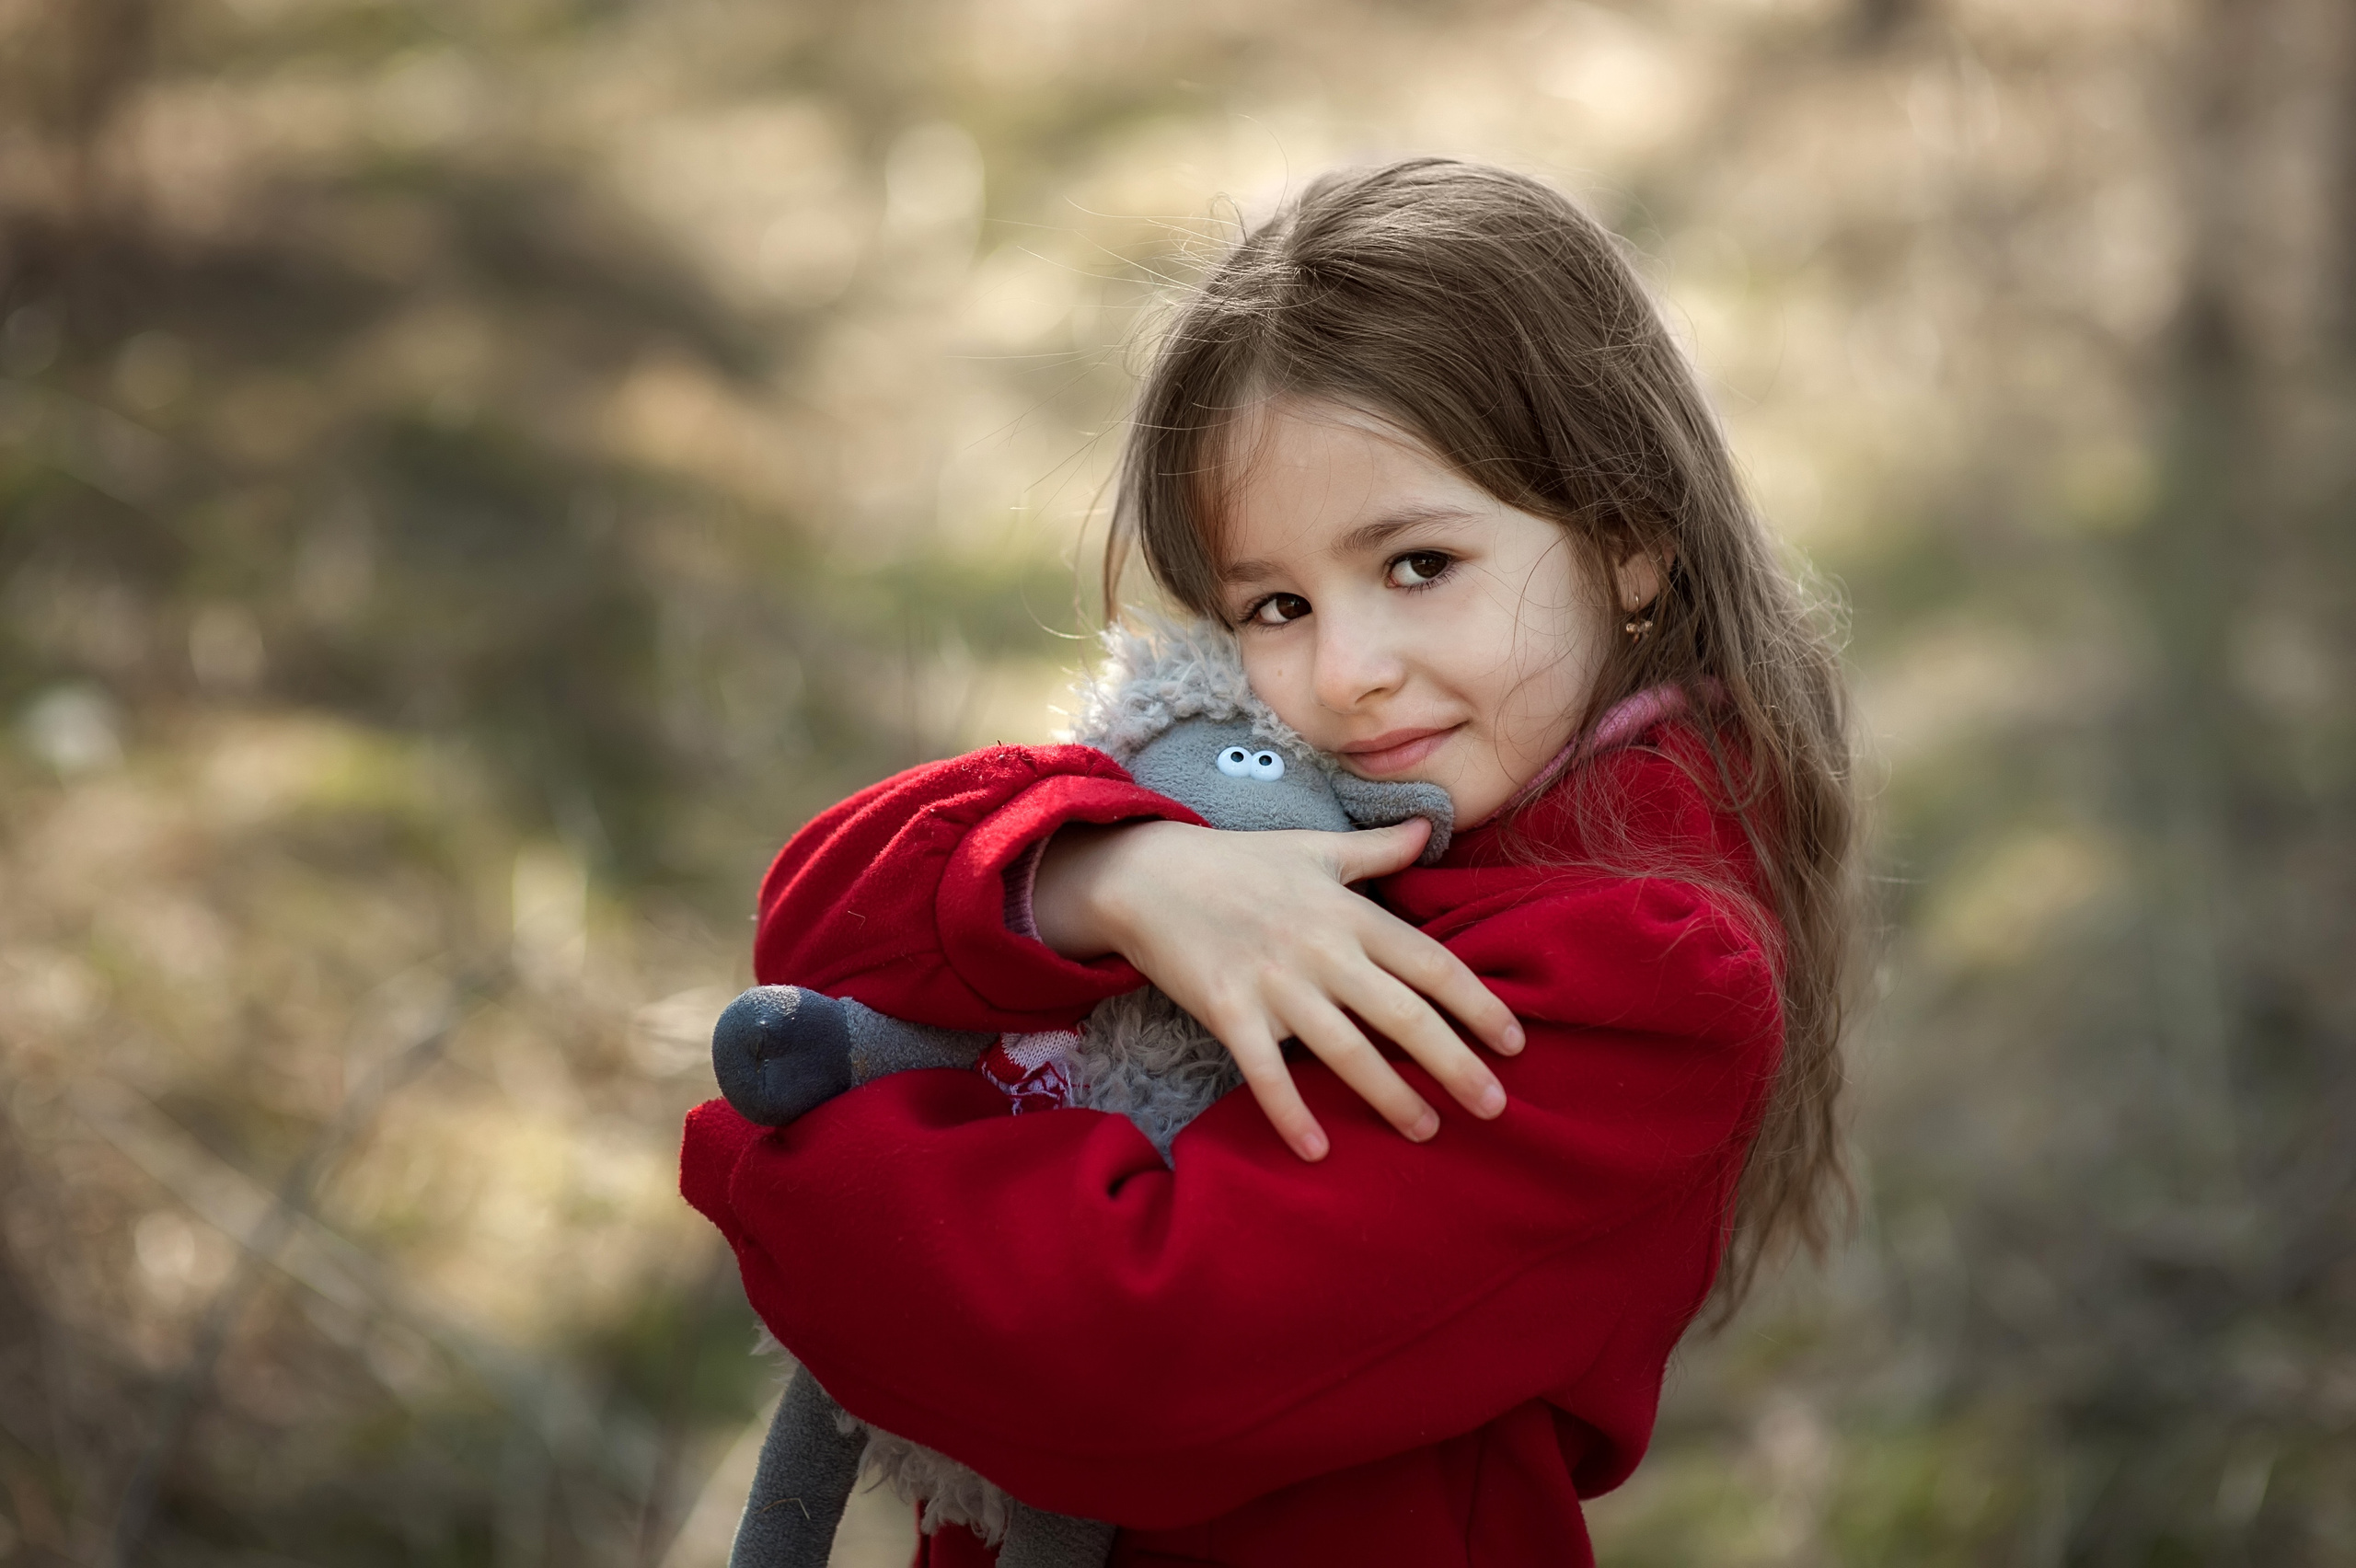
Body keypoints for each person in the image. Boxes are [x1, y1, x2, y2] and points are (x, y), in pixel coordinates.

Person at [681, 157, 1856, 1567]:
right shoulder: (1280, 790)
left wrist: (785, 1170)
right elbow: (816, 919)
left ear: (1627, 546)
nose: (1349, 673)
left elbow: (1133, 1358)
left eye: (1419, 564)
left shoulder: (1641, 975)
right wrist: (1107, 880)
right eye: (1278, 602)